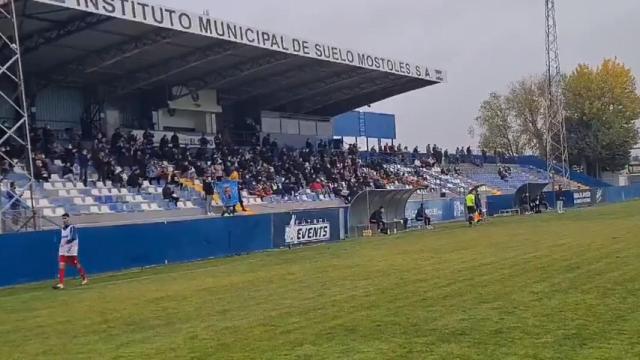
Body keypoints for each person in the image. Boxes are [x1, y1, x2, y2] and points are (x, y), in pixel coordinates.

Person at [53, 213, 88, 289]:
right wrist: (62, 245)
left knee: (76, 264)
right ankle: (61, 283)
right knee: (62, 265)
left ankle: (84, 278)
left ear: (68, 218)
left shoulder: (72, 227)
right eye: (63, 218)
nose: (64, 220)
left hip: (71, 249)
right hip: (63, 250)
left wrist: (66, 243)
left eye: (65, 218)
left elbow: (73, 237)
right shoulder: (62, 229)